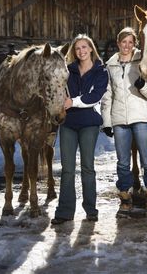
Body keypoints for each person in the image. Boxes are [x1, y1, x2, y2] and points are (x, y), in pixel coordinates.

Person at [101, 27, 147, 217]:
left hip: (142, 118)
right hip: (120, 120)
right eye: (123, 42)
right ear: (118, 44)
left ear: (134, 44)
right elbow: (107, 96)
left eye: (130, 42)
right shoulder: (110, 66)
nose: (126, 46)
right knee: (122, 162)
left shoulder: (142, 62)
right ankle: (125, 198)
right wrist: (107, 122)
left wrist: (143, 86)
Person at [51, 34, 109, 225]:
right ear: (74, 52)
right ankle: (64, 211)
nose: (81, 51)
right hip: (68, 123)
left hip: (89, 123)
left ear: (91, 49)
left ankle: (91, 210)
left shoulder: (101, 71)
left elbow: (95, 96)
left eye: (84, 47)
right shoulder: (68, 71)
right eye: (77, 48)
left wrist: (73, 101)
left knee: (87, 167)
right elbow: (57, 89)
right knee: (67, 169)